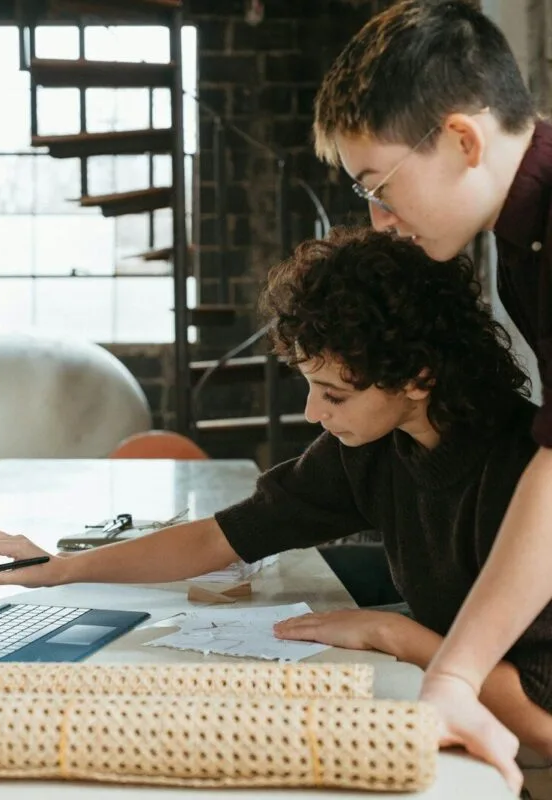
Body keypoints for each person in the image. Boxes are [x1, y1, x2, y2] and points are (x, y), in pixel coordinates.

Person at [0, 228, 551, 782]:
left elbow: (545, 727)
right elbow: (219, 537)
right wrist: (63, 569)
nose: (312, 413)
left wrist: (392, 631)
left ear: (418, 379)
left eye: (334, 394)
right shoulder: (374, 448)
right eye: (310, 387)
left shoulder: (524, 477)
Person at [312, 0, 552, 789]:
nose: (381, 221)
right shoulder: (522, 242)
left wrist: (451, 673)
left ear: (461, 140)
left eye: (380, 186)